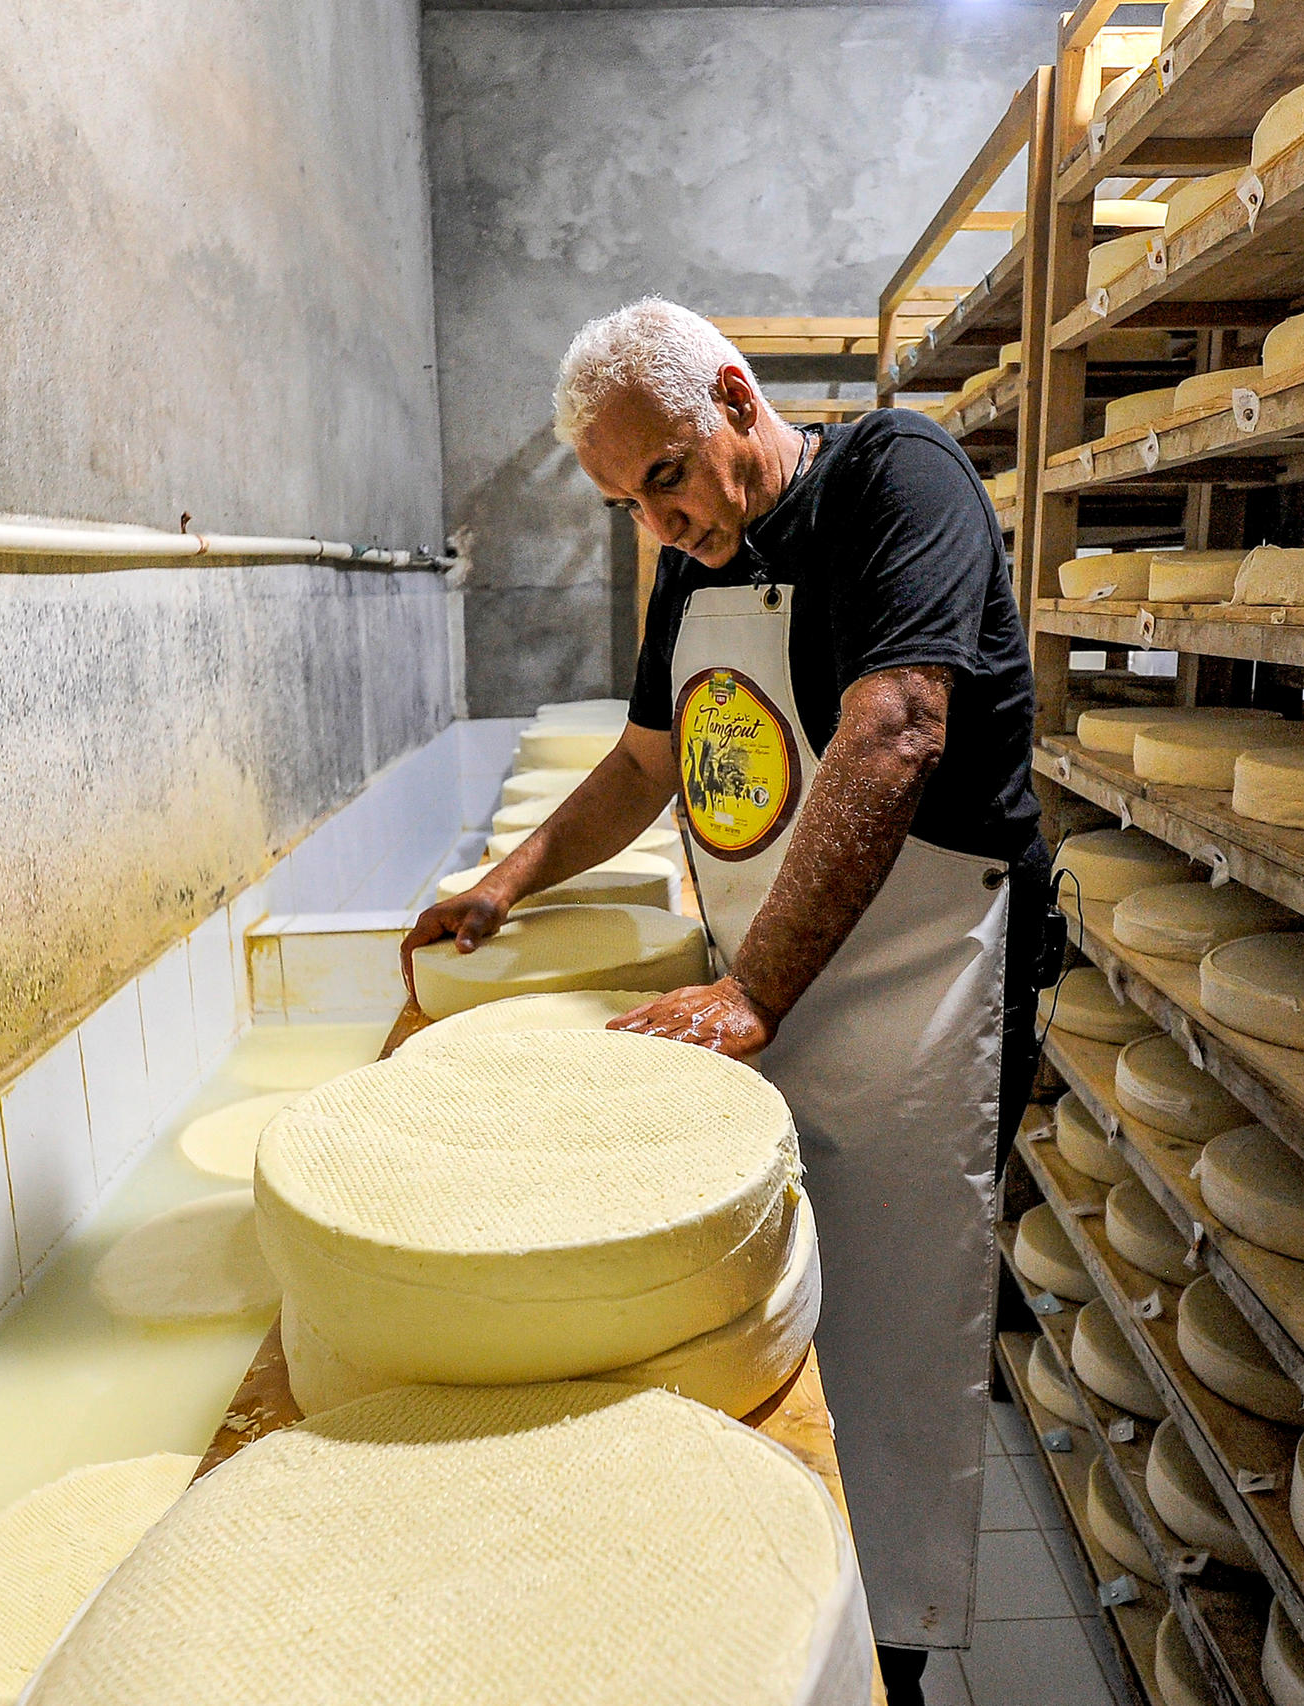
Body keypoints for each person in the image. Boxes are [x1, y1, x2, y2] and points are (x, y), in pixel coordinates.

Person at [403, 297, 1058, 1702]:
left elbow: (894, 734)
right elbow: (647, 764)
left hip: (923, 990)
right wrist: (505, 881)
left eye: (666, 477)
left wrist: (753, 986)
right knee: (775, 1316)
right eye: (625, 501)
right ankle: (759, 1607)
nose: (659, 521)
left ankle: (881, 1652)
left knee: (890, 1320)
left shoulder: (899, 482)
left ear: (738, 399)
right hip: (781, 980)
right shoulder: (696, 568)